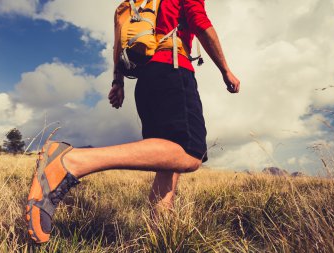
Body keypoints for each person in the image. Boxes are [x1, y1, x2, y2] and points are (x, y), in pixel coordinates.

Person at [25, 0, 240, 244]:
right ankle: (72, 161)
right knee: (190, 154)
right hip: (173, 69)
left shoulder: (140, 2)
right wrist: (226, 70)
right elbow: (199, 22)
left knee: (168, 166)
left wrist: (118, 81)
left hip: (147, 81)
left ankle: (160, 241)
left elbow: (119, 43)